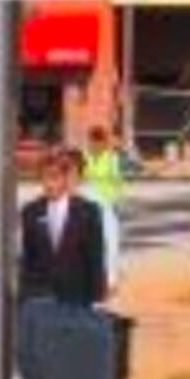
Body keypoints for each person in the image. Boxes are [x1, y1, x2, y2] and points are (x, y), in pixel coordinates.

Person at [19, 145, 114, 307]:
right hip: (41, 295)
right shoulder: (31, 211)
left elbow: (95, 255)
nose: (48, 184)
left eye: (54, 178)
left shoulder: (88, 211)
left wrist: (98, 295)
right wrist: (25, 293)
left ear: (65, 179)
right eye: (43, 178)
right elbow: (28, 257)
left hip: (78, 294)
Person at [78, 119, 130, 278]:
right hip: (88, 202)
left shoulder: (111, 158)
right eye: (93, 141)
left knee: (110, 237)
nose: (95, 145)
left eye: (99, 142)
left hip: (108, 202)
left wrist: (117, 200)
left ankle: (112, 269)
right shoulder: (83, 157)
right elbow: (78, 178)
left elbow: (118, 181)